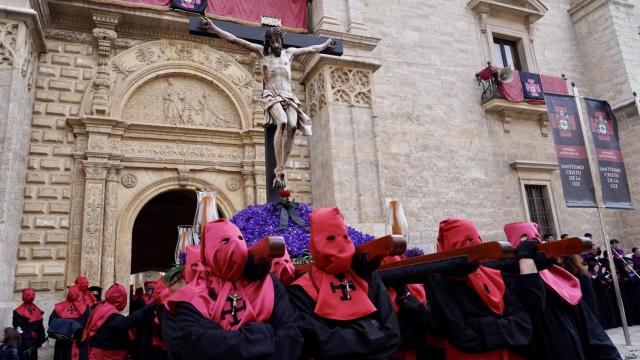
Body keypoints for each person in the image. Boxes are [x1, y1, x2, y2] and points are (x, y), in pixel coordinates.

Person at [200, 17, 334, 188]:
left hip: (289, 96)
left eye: (278, 40)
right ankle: (279, 167)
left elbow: (312, 48)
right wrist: (213, 27)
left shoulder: (289, 53)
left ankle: (282, 167)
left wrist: (325, 45)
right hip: (272, 95)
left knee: (293, 126)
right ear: (268, 43)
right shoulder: (261, 53)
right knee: (283, 122)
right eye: (273, 41)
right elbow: (233, 39)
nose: (276, 44)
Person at [162, 219, 303, 359]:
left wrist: (221, 334)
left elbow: (292, 333)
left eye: (240, 238)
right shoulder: (191, 297)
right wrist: (265, 331)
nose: (235, 245)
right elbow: (197, 345)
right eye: (224, 241)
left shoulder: (268, 284)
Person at [289, 207, 401, 359]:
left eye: (344, 236)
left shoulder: (368, 278)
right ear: (315, 243)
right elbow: (321, 344)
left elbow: (392, 334)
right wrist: (372, 329)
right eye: (330, 239)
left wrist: (346, 336)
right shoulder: (301, 290)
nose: (339, 245)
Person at [503, 222, 620, 360]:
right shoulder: (506, 281)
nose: (533, 245)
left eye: (536, 240)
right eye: (525, 242)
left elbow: (592, 332)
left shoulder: (559, 278)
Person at [424, 219, 533, 359]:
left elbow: (523, 325)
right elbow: (460, 336)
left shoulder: (493, 276)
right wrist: (504, 328)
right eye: (467, 240)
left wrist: (477, 324)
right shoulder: (438, 281)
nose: (474, 243)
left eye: (476, 238)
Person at [83, 283, 156, 360]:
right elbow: (125, 323)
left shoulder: (104, 307)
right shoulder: (108, 312)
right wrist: (146, 310)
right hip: (105, 356)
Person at [380, 255, 432, 360]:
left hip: (416, 349)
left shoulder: (414, 289)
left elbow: (426, 320)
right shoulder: (379, 293)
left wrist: (404, 293)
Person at [49, 286, 91, 360]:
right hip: (79, 342)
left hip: (62, 343)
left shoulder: (59, 308)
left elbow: (51, 323)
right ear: (78, 295)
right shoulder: (86, 308)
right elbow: (89, 325)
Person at [12, 288, 45, 360]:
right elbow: (19, 328)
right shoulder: (19, 311)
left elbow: (40, 326)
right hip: (28, 341)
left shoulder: (18, 311)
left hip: (28, 340)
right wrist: (38, 339)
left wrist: (39, 339)